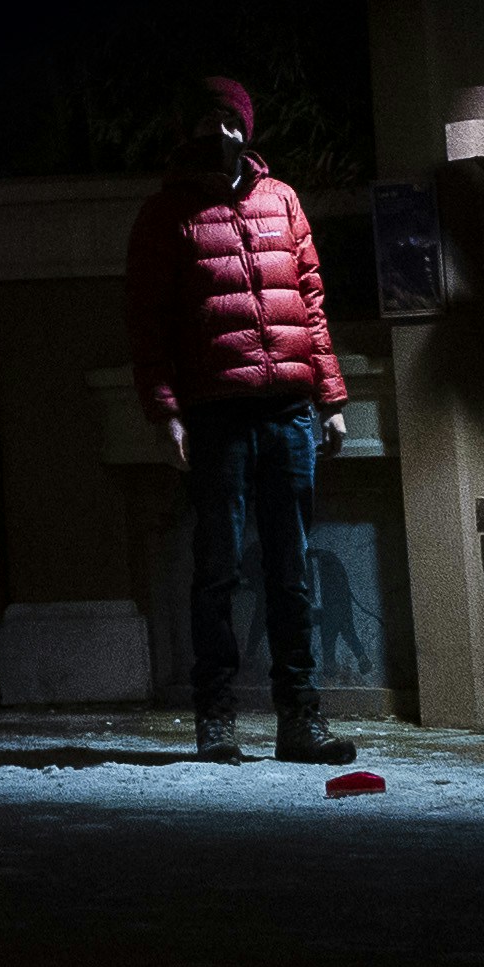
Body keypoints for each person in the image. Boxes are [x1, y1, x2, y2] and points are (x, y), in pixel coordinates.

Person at [122, 73, 355, 762]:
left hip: (287, 407)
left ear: (244, 127)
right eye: (204, 118)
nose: (216, 131)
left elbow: (310, 300)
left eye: (227, 118)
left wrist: (331, 398)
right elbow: (149, 323)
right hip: (216, 412)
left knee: (292, 569)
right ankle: (216, 718)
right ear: (186, 130)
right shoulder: (165, 215)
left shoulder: (281, 199)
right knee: (218, 570)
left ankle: (299, 720)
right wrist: (165, 412)